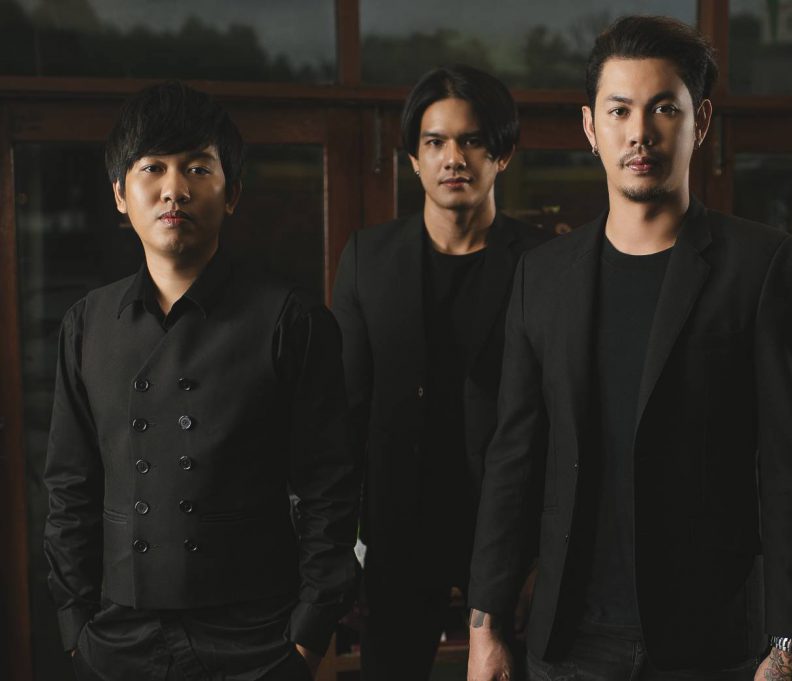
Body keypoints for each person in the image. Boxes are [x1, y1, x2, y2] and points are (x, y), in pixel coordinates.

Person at [467, 15, 792, 681]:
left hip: (711, 641)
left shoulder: (763, 266)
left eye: (665, 108)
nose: (640, 132)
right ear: (590, 127)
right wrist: (484, 624)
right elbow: (513, 458)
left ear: (702, 120)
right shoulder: (542, 276)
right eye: (619, 110)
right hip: (568, 640)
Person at [43, 81, 359, 681]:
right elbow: (69, 488)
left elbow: (329, 490)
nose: (174, 189)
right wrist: (74, 624)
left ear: (231, 192)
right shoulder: (86, 324)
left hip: (257, 635)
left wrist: (309, 633)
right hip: (118, 634)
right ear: (120, 194)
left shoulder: (290, 320)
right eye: (152, 167)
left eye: (197, 168)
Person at [330, 65, 552, 680]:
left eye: (472, 141)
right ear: (413, 158)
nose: (453, 158)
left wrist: (546, 557)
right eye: (435, 142)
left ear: (501, 154)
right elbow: (344, 417)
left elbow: (567, 422)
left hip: (510, 538)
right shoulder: (368, 260)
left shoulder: (545, 264)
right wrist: (337, 552)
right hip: (400, 535)